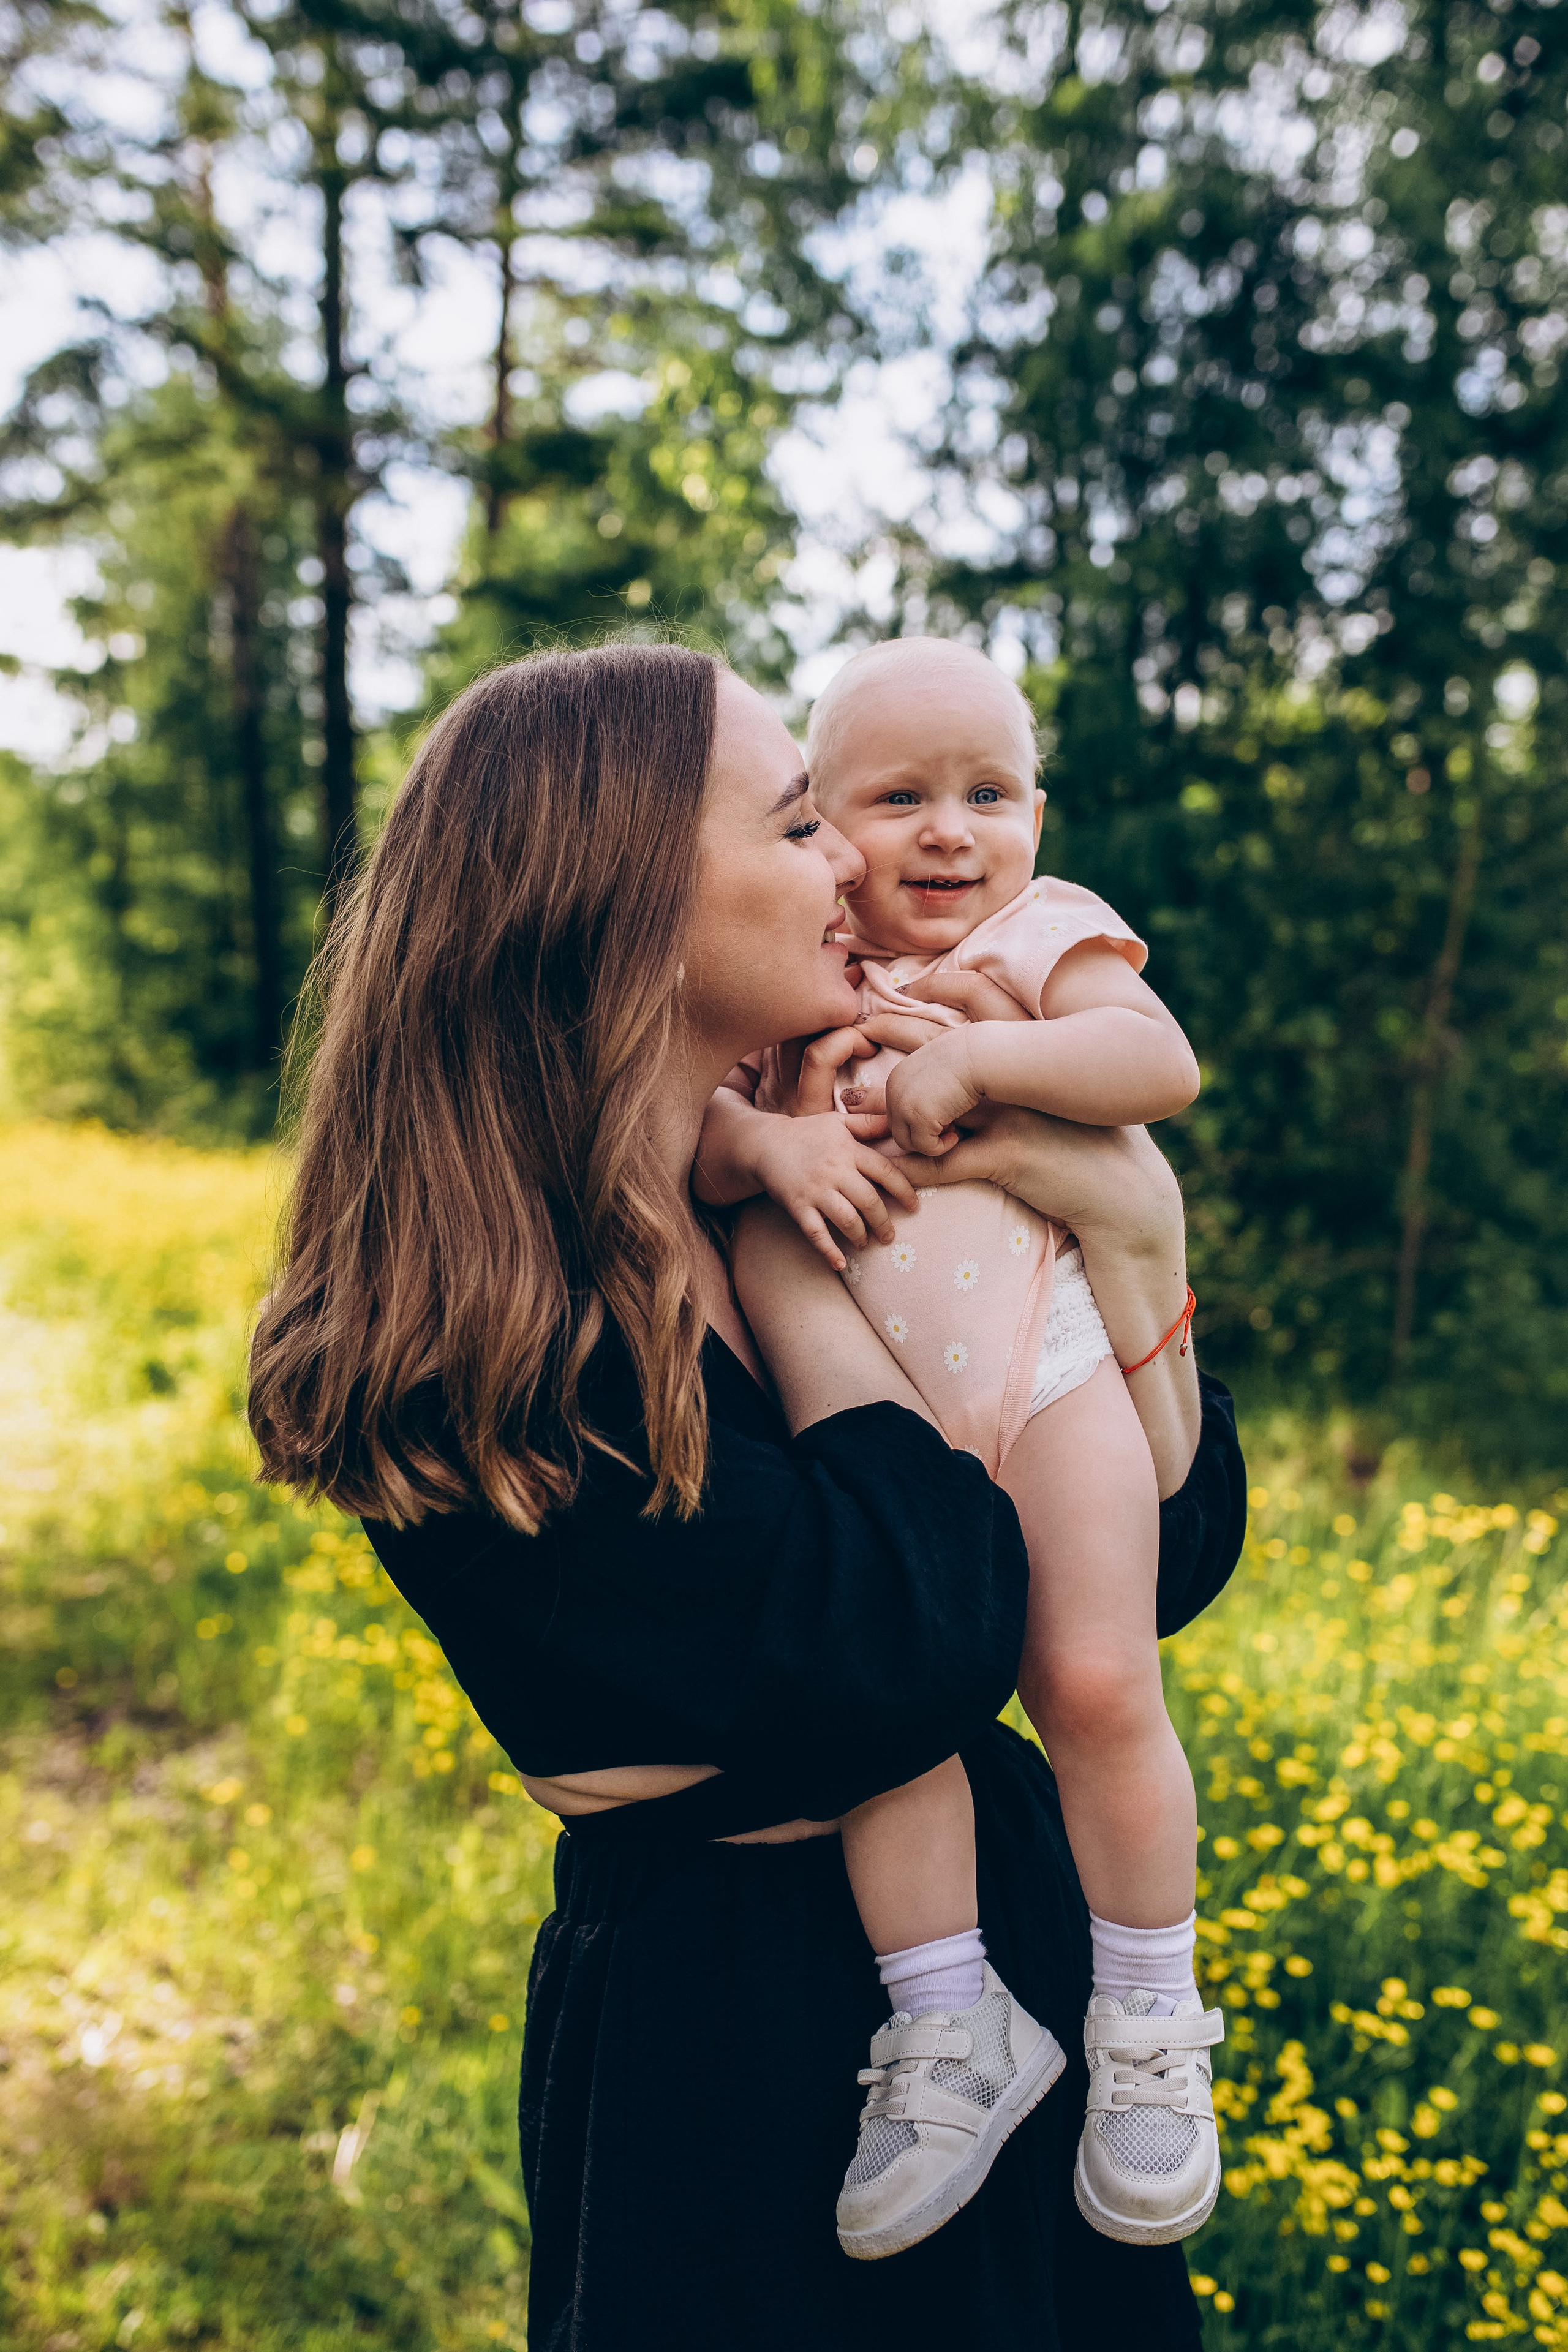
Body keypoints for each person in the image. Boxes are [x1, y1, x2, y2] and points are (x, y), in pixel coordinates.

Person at [247, 642, 1246, 2352]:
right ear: (622, 904)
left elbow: (1169, 1557)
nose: (859, 858)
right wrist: (789, 1257)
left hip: (1020, 1947)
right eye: (800, 824)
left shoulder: (824, 1130)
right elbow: (915, 1639)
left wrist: (1137, 1243)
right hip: (748, 2041)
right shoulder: (480, 1338)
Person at [696, 638, 1221, 2259]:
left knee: (1100, 1684)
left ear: (1037, 820)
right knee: (896, 1713)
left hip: (1049, 1371)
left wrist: (984, 1057)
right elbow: (693, 1140)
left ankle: (1150, 2018)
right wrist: (769, 1143)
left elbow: (1157, 1065)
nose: (949, 831)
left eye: (990, 794)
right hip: (887, 1427)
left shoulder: (1043, 936)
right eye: (898, 797)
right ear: (821, 829)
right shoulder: (798, 971)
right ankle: (946, 2020)